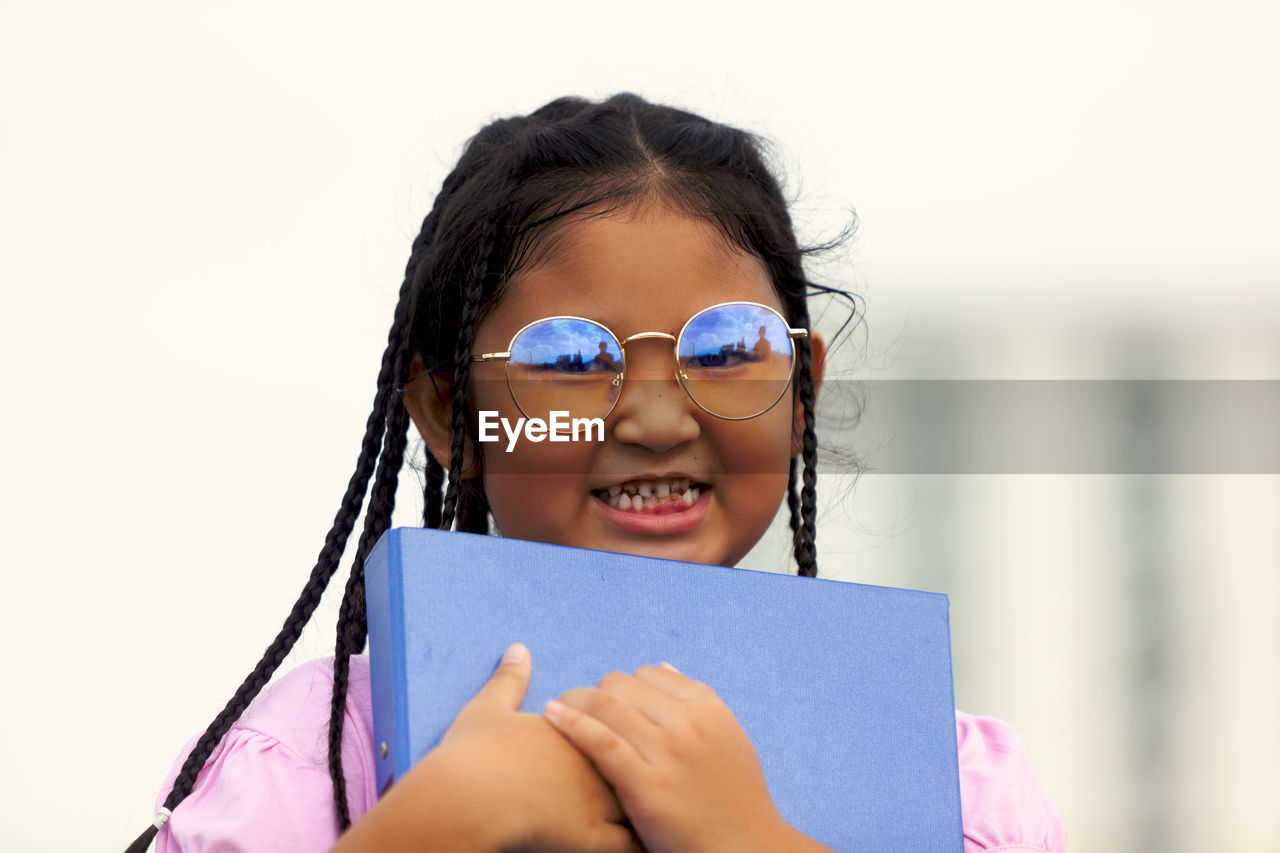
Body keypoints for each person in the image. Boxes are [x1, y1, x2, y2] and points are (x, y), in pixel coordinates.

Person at [127, 93, 1065, 853]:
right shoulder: (312, 761)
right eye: (572, 358)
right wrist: (433, 830)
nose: (658, 420)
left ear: (801, 392)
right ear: (451, 413)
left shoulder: (958, 786)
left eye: (726, 346)